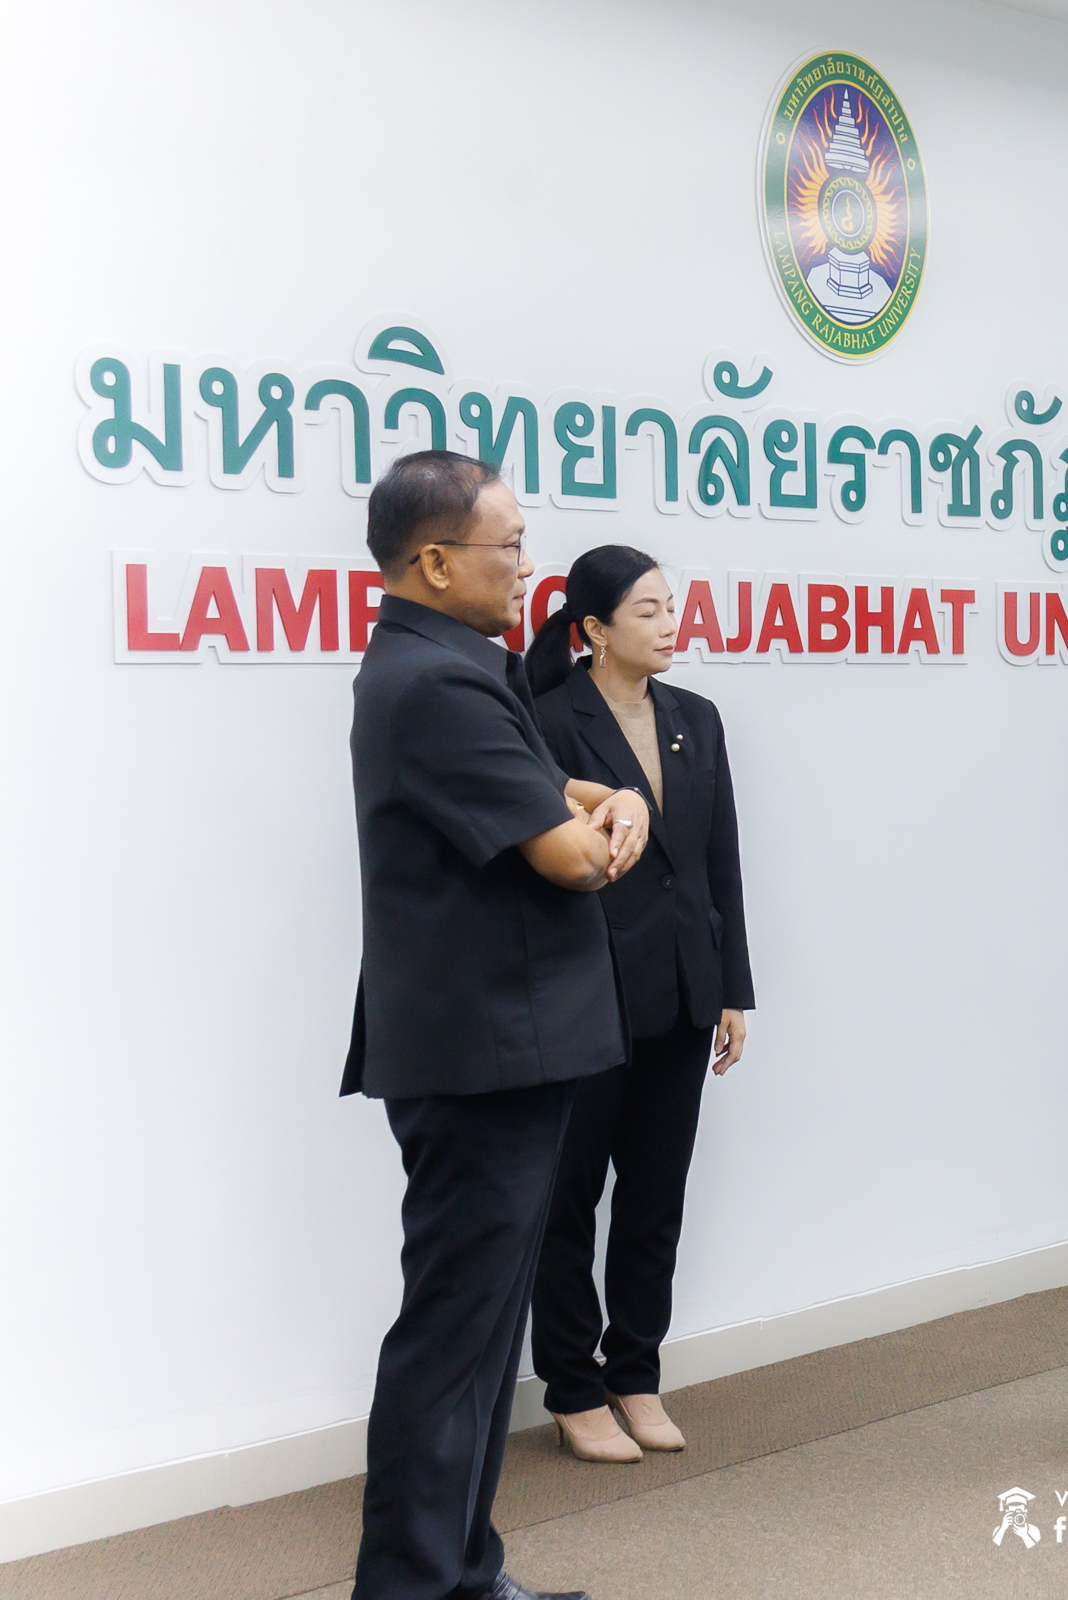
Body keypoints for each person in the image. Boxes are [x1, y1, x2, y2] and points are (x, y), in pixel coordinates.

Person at [346, 451, 652, 1600]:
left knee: (480, 1342)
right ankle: (413, 1586)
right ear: (435, 561)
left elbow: (562, 796)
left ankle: (463, 1573)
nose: (530, 566)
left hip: (503, 1051)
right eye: (510, 545)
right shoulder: (437, 683)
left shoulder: (455, 667)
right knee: (452, 1341)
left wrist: (607, 798)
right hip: (483, 1058)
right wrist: (607, 821)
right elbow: (571, 855)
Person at [525, 545, 755, 1464]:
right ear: (594, 629)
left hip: (684, 989)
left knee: (656, 1195)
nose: (670, 625)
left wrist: (731, 987)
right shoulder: (545, 719)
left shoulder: (696, 717)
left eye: (672, 607)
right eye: (648, 611)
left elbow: (718, 861)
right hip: (583, 995)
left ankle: (636, 1373)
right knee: (569, 1200)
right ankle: (572, 1388)